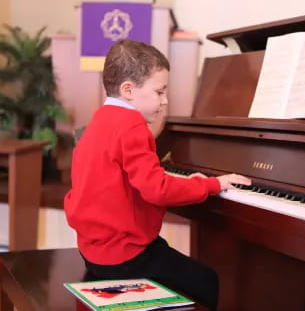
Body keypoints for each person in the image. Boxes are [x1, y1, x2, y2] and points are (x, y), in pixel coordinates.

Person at [64, 40, 251, 311]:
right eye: (159, 92)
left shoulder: (101, 121)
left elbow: (130, 178)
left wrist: (185, 181)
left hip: (94, 250)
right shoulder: (132, 127)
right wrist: (210, 184)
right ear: (128, 90)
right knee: (206, 280)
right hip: (124, 256)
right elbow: (157, 189)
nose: (165, 101)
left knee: (166, 256)